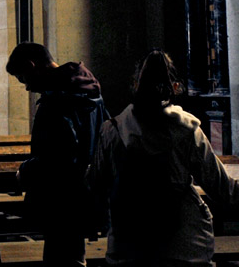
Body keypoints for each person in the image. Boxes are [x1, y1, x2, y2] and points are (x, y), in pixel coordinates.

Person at [87, 50, 239, 266]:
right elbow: (223, 189)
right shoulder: (188, 131)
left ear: (135, 85)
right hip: (183, 245)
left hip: (129, 246)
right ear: (174, 86)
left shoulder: (112, 130)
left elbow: (95, 185)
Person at [6, 42, 108, 266]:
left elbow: (56, 157)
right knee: (74, 255)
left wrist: (25, 170)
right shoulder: (91, 93)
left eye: (23, 78)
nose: (26, 87)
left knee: (59, 258)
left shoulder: (55, 102)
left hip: (60, 197)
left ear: (32, 66)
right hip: (86, 192)